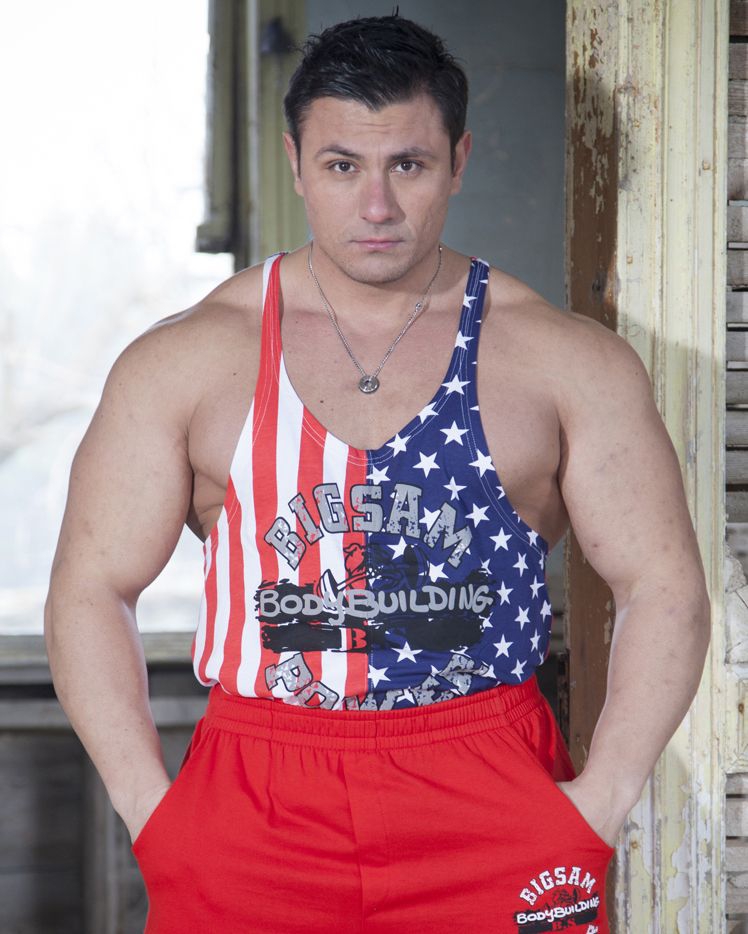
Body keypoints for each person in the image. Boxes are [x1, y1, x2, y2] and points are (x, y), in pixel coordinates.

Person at [44, 13, 710, 934]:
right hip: (257, 796)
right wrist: (152, 813)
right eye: (342, 165)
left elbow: (663, 585)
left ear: (458, 160)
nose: (377, 206)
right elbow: (90, 588)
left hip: (488, 789)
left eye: (408, 164)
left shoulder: (564, 361)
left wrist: (599, 803)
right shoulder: (187, 360)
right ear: (295, 164)